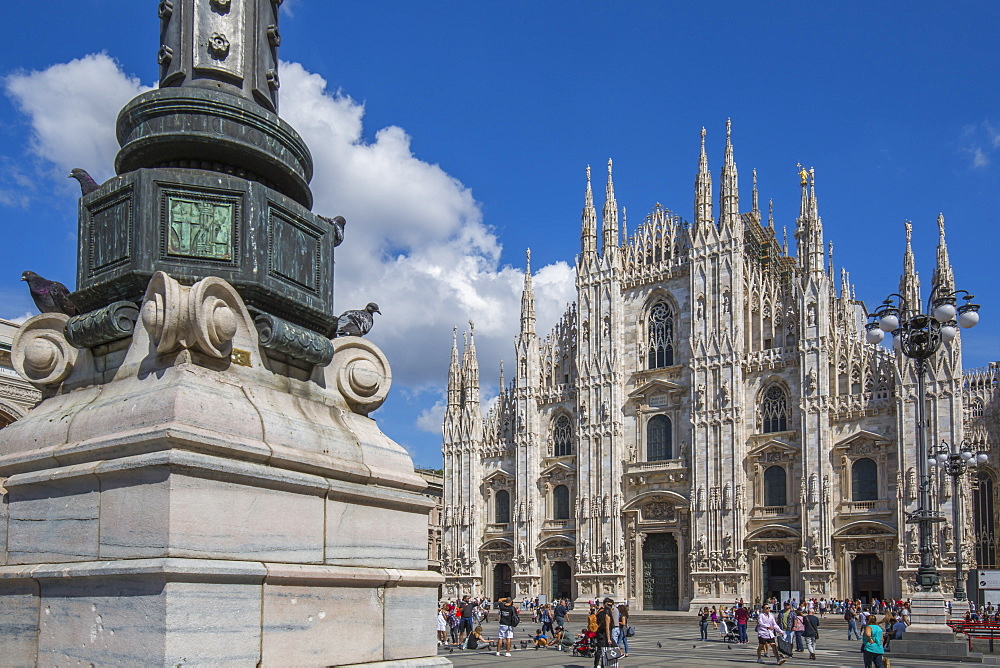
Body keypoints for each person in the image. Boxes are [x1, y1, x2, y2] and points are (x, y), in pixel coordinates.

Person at [593, 597, 615, 668]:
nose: (611, 607)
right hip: (603, 634)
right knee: (603, 650)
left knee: (600, 650)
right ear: (606, 604)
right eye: (610, 605)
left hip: (599, 632)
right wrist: (609, 638)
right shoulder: (606, 613)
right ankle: (601, 665)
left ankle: (596, 664)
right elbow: (607, 628)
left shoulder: (600, 611)